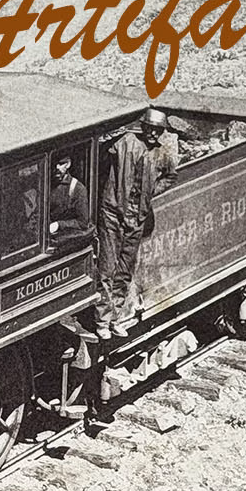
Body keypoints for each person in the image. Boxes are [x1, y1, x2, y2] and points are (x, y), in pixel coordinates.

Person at [96, 110, 161, 329]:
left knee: (124, 269)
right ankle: (102, 320)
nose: (153, 134)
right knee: (107, 269)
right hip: (114, 213)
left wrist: (153, 190)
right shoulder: (125, 142)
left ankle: (115, 316)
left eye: (157, 130)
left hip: (137, 217)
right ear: (143, 128)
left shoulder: (161, 153)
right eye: (150, 129)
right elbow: (103, 149)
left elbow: (170, 174)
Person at [46, 154, 92, 243]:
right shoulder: (45, 183)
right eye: (53, 164)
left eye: (60, 164)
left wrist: (59, 225)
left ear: (68, 164)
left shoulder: (77, 189)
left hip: (62, 240)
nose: (56, 167)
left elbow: (82, 223)